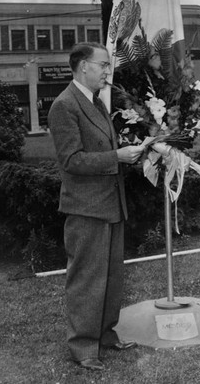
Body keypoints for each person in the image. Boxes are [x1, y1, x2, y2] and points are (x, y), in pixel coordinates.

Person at [48, 42, 144, 371]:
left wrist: (128, 153)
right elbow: (72, 160)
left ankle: (104, 334)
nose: (108, 71)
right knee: (88, 279)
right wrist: (116, 157)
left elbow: (101, 148)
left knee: (111, 277)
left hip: (108, 204)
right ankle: (83, 346)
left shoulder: (94, 102)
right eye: (103, 65)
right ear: (83, 66)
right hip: (87, 207)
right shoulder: (65, 105)